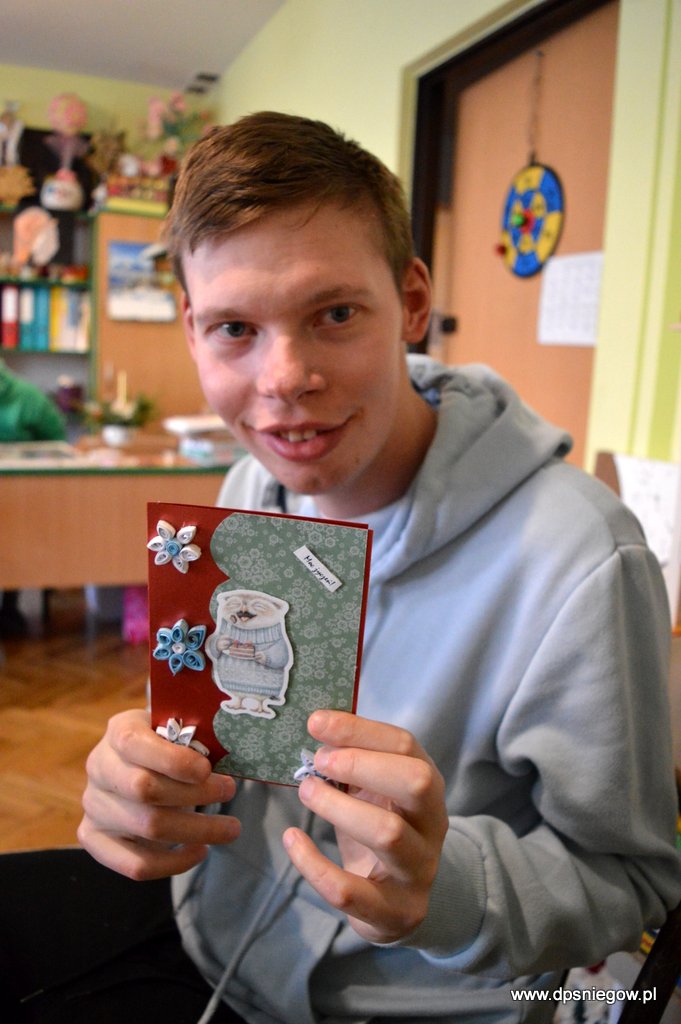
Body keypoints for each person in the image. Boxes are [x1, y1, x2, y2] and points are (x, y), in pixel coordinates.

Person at [3, 112, 680, 1024]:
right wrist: (142, 781)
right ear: (192, 329)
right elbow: (228, 718)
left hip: (413, 1000)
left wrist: (442, 886)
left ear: (410, 303)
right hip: (209, 932)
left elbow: (630, 883)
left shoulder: (583, 558)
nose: (284, 379)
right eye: (234, 327)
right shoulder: (250, 488)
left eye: (334, 314)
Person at [0, 357, 66, 634]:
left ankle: (10, 606)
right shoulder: (26, 395)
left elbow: (57, 438)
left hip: (25, 494)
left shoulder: (27, 398)